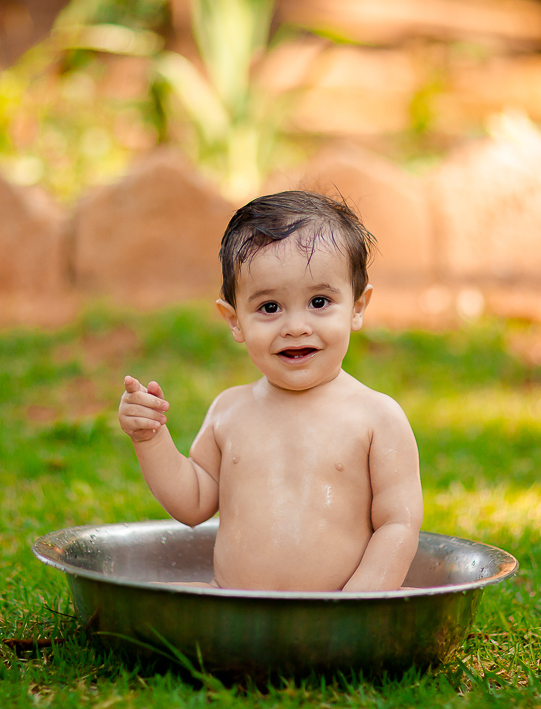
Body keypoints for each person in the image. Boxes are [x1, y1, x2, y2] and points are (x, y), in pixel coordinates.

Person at [117, 190, 422, 592]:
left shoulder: (376, 418)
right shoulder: (230, 410)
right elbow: (191, 503)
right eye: (270, 308)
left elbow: (398, 523)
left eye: (319, 301)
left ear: (357, 307)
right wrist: (150, 438)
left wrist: (355, 604)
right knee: (170, 600)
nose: (295, 326)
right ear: (234, 320)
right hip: (235, 606)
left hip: (338, 607)